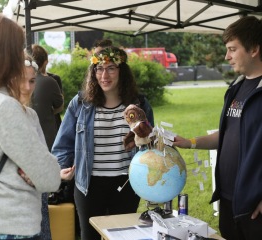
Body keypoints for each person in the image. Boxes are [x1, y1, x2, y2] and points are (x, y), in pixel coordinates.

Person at [173, 16, 262, 240]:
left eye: (232, 49)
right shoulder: (237, 88)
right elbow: (228, 135)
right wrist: (190, 143)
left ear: (254, 49)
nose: (227, 57)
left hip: (254, 207)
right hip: (229, 199)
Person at [52, 46, 154, 240]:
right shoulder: (81, 103)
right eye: (99, 69)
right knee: (89, 236)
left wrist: (143, 134)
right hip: (88, 185)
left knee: (124, 236)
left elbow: (149, 147)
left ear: (121, 71)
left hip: (126, 183)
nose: (104, 75)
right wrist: (60, 170)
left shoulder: (139, 104)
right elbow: (63, 145)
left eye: (111, 68)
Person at [0, 13, 61, 239]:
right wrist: (40, 168)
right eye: (19, 47)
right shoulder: (4, 107)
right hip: (12, 228)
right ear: (6, 54)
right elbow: (49, 178)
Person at [20, 53, 52, 240]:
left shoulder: (31, 115)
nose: (27, 87)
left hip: (36, 199)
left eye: (32, 81)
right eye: (21, 80)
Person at [31, 44, 64, 151]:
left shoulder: (15, 81)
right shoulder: (49, 81)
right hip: (47, 138)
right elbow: (60, 106)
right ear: (45, 62)